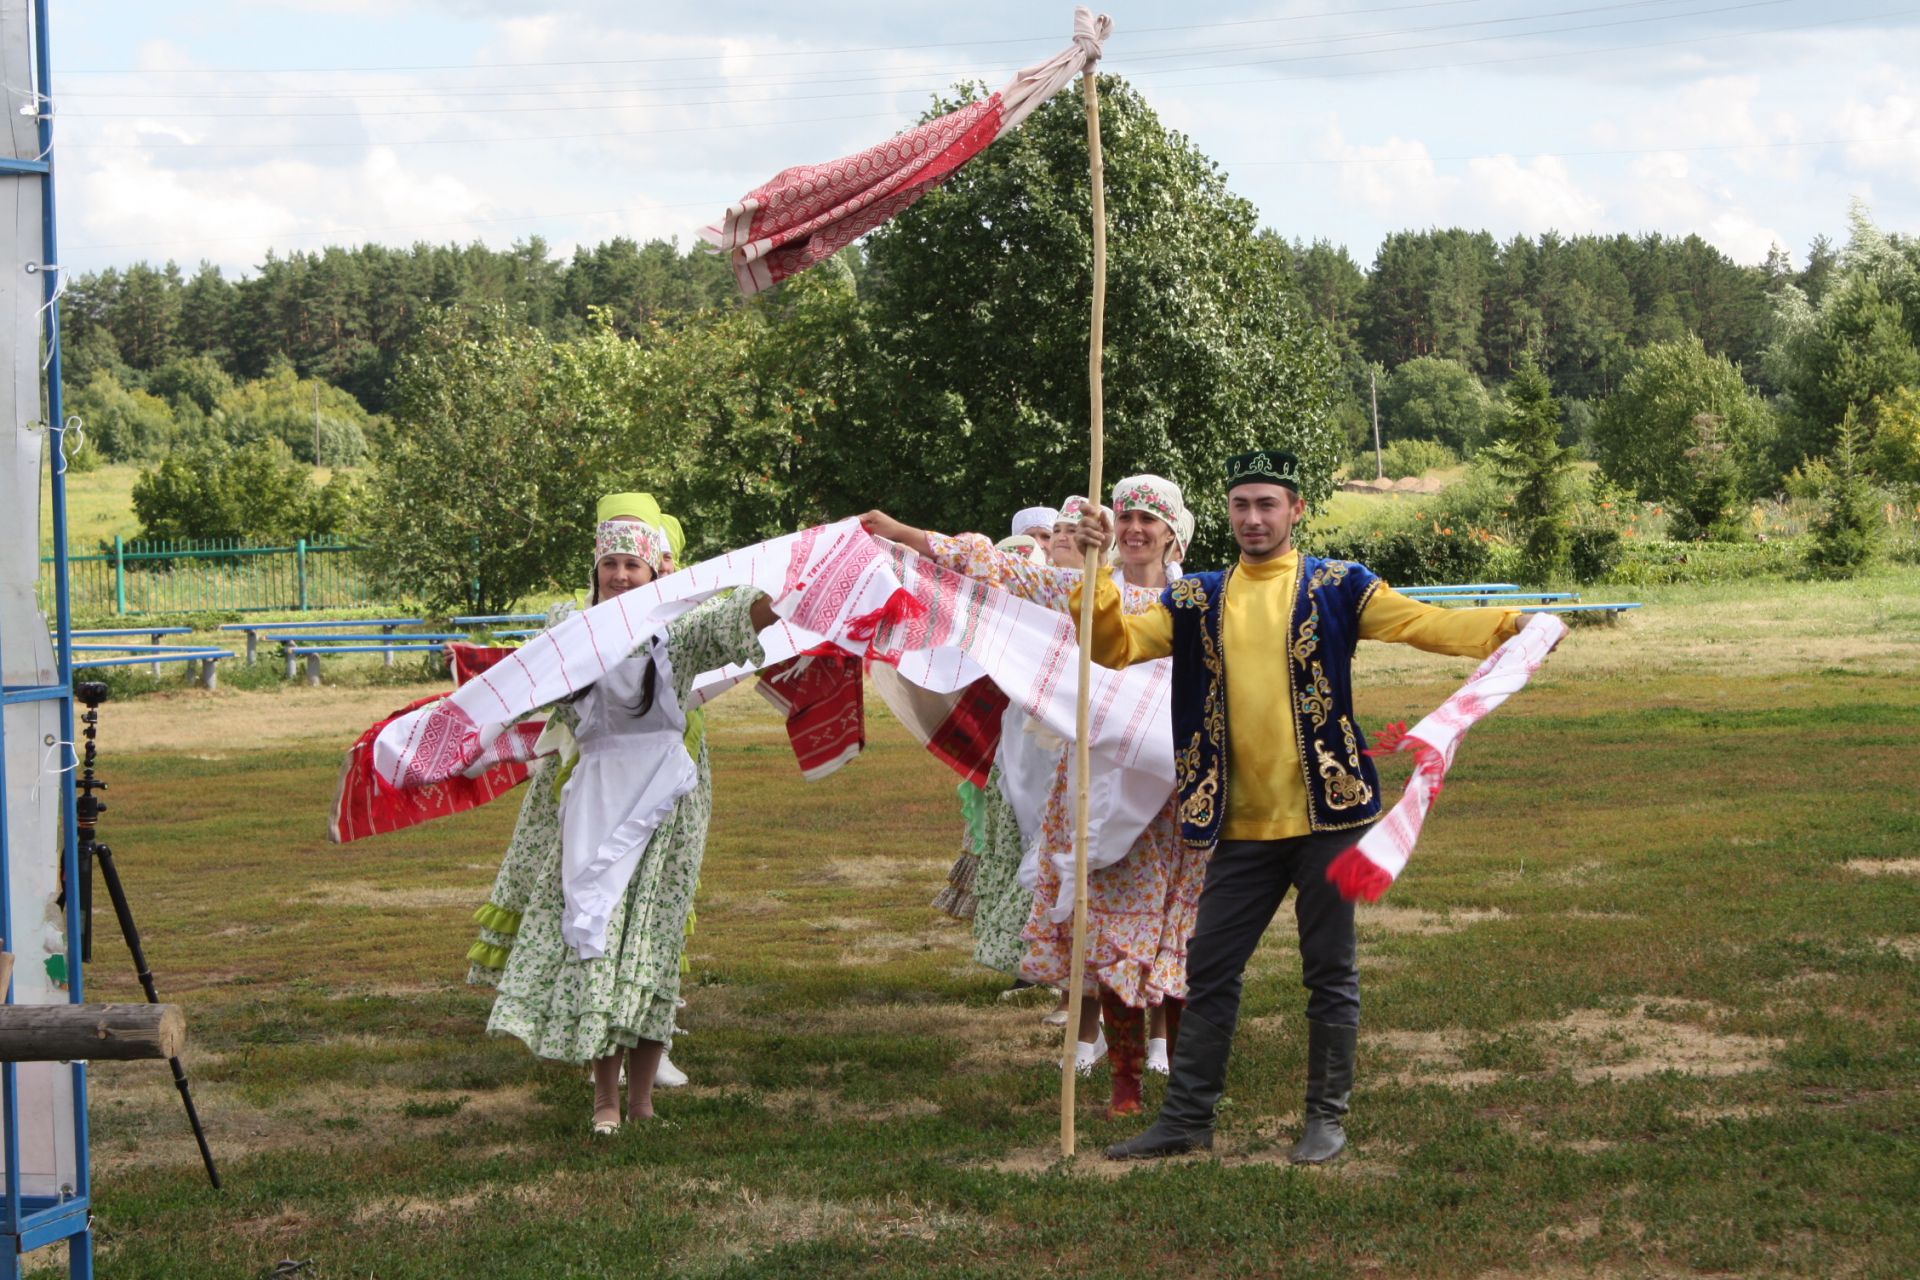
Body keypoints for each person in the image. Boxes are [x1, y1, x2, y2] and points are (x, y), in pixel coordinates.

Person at [1070, 449, 1523, 1163]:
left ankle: (1325, 1118)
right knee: (1209, 969)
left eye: (1267, 505)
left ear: (1295, 510)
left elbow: (1422, 625)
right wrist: (1093, 570)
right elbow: (1112, 645)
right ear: (1227, 513)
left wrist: (1507, 630)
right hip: (1240, 825)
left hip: (1330, 819)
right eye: (1241, 505)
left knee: (1329, 971)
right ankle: (1187, 1118)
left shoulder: (1341, 586)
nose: (1253, 518)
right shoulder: (1198, 600)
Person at [862, 474, 1205, 1118]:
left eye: (1147, 521)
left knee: (1171, 924)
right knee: (1106, 925)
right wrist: (906, 536)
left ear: (1171, 533)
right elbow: (994, 567)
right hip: (1094, 784)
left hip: (1172, 788)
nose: (1134, 531)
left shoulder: (1200, 600)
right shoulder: (1078, 588)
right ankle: (1125, 1081)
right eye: (1124, 518)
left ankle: (1173, 1052)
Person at [470, 512, 778, 1134]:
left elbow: (741, 618)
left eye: (631, 565)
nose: (618, 575)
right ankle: (604, 1101)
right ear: (596, 570)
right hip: (596, 798)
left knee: (652, 947)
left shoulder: (679, 633)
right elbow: (518, 690)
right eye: (608, 565)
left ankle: (642, 1103)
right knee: (599, 943)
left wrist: (798, 576)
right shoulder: (571, 630)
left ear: (653, 570)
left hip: (665, 804)